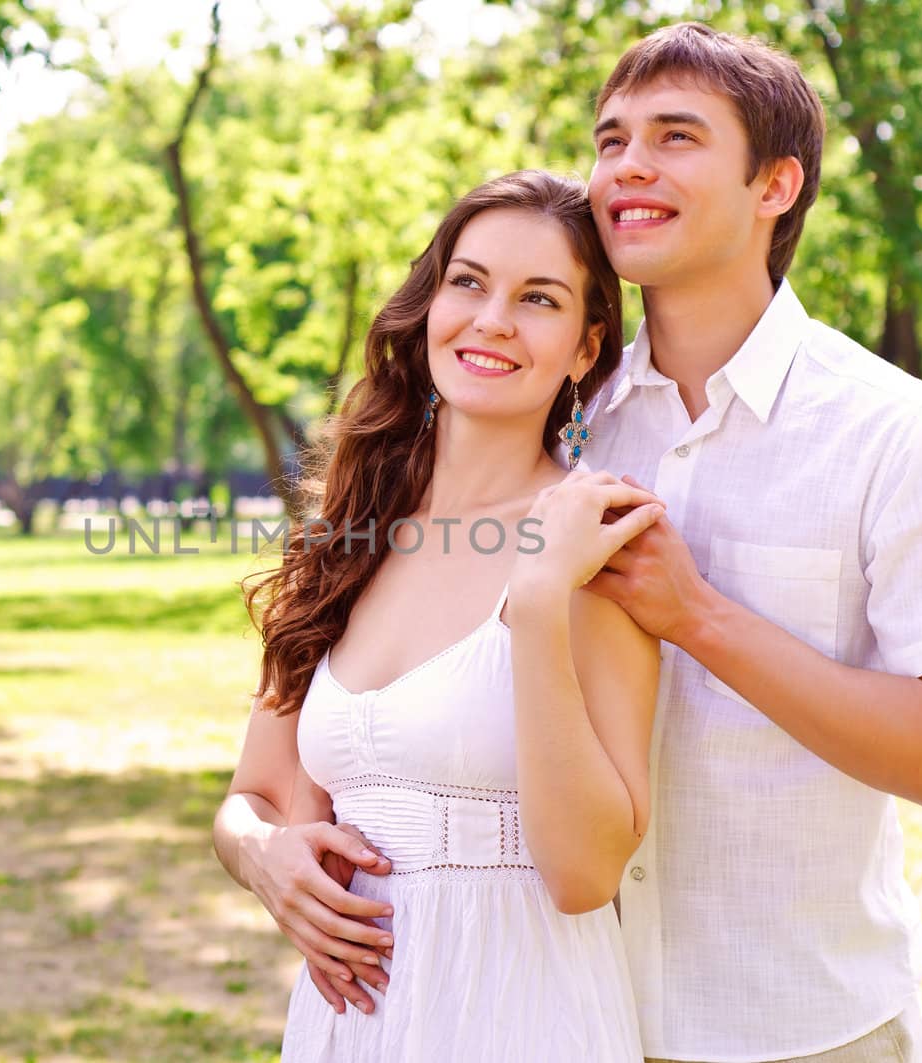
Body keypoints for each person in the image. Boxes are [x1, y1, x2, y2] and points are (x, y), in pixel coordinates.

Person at [575, 23, 922, 1063]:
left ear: (775, 185)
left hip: (800, 1026)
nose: (626, 166)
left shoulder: (900, 435)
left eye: (674, 136)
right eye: (609, 140)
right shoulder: (561, 419)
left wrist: (699, 617)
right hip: (565, 1013)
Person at [211, 169, 663, 1061]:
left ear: (585, 347)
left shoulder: (596, 538)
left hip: (520, 1013)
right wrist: (264, 858)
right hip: (350, 1023)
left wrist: (536, 601)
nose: (492, 318)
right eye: (469, 281)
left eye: (538, 298)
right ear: (428, 308)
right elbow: (251, 800)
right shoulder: (345, 537)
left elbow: (584, 876)